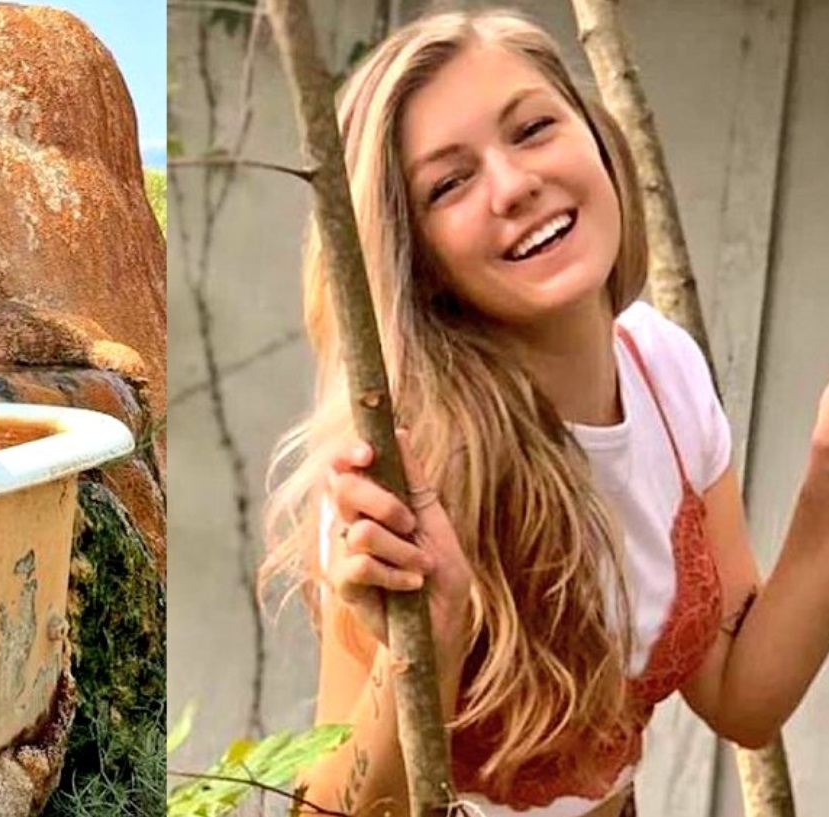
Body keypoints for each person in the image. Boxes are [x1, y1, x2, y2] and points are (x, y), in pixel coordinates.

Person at [262, 9, 829, 816]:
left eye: (532, 129)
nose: (514, 183)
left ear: (597, 140)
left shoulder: (662, 370)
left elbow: (740, 694)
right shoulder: (406, 465)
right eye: (449, 182)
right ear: (415, 257)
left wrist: (824, 478)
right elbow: (329, 812)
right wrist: (431, 643)